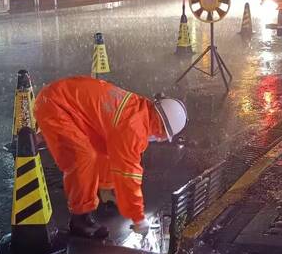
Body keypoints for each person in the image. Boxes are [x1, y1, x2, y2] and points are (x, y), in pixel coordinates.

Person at [34, 76, 188, 239]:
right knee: (83, 157)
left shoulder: (139, 109)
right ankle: (80, 218)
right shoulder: (133, 129)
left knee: (107, 148)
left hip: (63, 99)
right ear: (162, 130)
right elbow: (128, 175)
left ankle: (105, 192)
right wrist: (138, 218)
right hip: (54, 105)